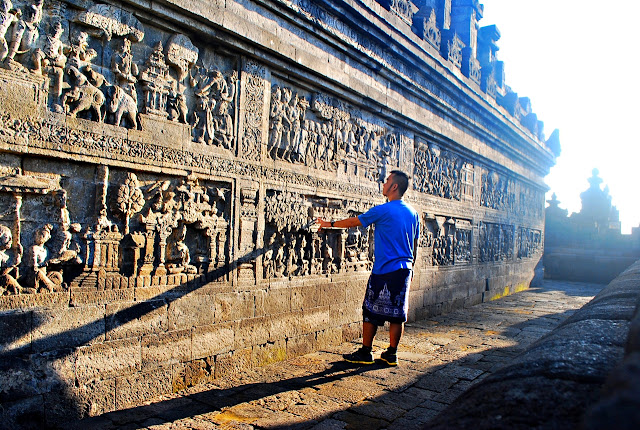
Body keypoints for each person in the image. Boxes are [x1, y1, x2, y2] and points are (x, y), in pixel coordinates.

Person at [316, 170, 420, 366]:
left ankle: (366, 351)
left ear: (394, 187)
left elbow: (355, 222)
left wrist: (329, 223)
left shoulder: (384, 210)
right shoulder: (413, 214)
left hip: (385, 269)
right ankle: (392, 353)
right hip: (405, 269)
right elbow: (414, 245)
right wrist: (411, 267)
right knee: (398, 313)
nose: (384, 183)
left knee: (370, 310)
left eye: (387, 180)